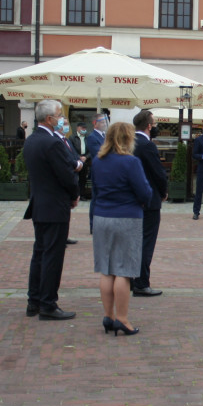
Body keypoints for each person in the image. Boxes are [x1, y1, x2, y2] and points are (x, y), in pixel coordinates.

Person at [91, 121, 152, 335]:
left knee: (107, 270)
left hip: (101, 216)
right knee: (124, 271)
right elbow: (144, 192)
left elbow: (95, 190)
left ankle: (108, 316)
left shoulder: (97, 161)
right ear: (128, 138)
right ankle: (122, 319)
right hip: (127, 217)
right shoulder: (131, 162)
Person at [21, 99, 80, 320]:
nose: (61, 119)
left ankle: (34, 301)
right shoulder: (52, 143)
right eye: (59, 115)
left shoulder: (32, 140)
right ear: (49, 119)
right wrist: (74, 194)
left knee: (40, 254)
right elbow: (66, 174)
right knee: (52, 256)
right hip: (55, 205)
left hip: (40, 205)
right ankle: (47, 304)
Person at [132, 110, 168, 297]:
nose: (155, 127)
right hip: (149, 200)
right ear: (148, 126)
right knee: (146, 242)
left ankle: (131, 279)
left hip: (132, 200)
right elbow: (158, 173)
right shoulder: (147, 145)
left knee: (135, 241)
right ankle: (141, 282)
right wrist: (164, 192)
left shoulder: (128, 143)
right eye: (153, 123)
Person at [55, 117, 85, 246]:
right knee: (60, 212)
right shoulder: (56, 140)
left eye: (68, 124)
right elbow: (65, 159)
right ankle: (60, 238)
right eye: (65, 124)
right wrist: (76, 164)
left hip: (73, 174)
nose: (67, 126)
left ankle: (64, 236)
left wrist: (78, 161)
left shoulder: (66, 140)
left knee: (66, 212)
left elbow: (73, 155)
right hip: (64, 180)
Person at [85, 113, 108, 228]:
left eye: (105, 122)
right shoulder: (92, 137)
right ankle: (93, 224)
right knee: (96, 198)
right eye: (102, 122)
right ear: (95, 123)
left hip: (107, 171)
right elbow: (99, 153)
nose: (104, 124)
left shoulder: (105, 136)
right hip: (98, 171)